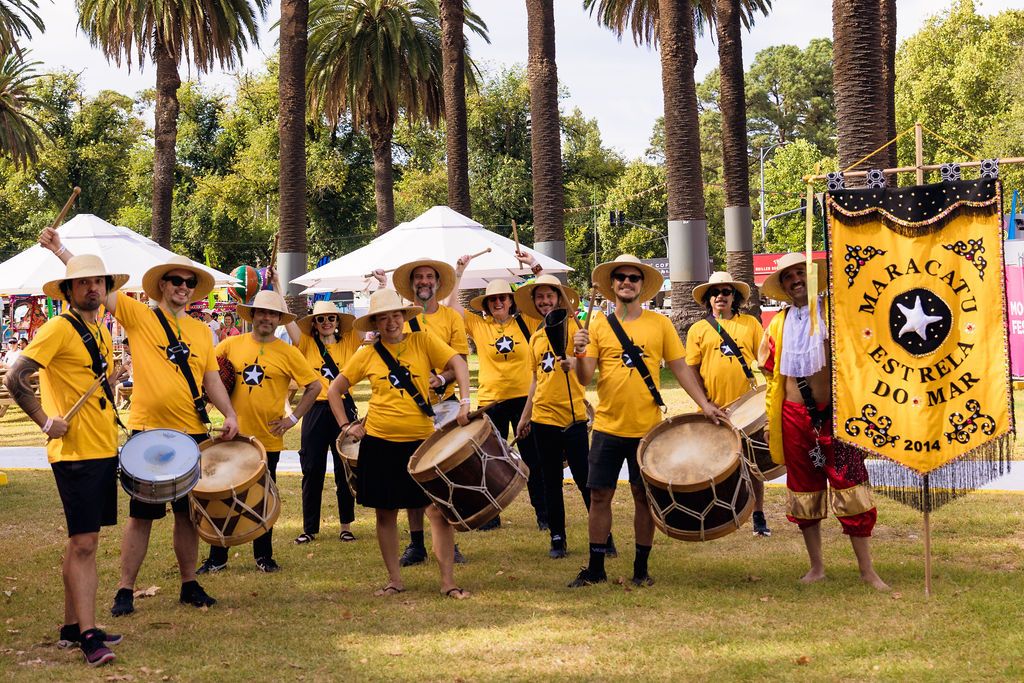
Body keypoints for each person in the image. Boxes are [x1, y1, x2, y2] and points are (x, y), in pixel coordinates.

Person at [39, 227, 240, 616]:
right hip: (149, 431)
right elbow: (95, 285)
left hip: (193, 432)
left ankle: (188, 583)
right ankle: (124, 590)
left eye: (188, 283)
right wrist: (60, 249)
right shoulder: (138, 315)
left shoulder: (203, 332)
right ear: (162, 286)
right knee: (141, 516)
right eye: (176, 281)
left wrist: (229, 413)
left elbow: (211, 379)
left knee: (187, 513)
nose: (183, 287)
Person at [568, 255, 728, 588]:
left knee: (644, 498)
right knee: (599, 496)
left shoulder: (660, 324)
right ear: (612, 285)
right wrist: (579, 352)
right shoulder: (596, 324)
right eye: (621, 278)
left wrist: (705, 405)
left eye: (633, 278)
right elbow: (584, 379)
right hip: (608, 428)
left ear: (642, 286)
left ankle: (641, 569)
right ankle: (596, 567)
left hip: (647, 431)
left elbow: (681, 368)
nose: (627, 282)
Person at [4, 255, 129, 666]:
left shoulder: (99, 329)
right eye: (83, 283)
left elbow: (88, 381)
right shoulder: (58, 328)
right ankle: (90, 637)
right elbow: (16, 375)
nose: (92, 288)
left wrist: (110, 379)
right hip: (75, 453)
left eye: (98, 282)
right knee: (84, 544)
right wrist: (44, 420)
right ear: (69, 291)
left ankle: (72, 627)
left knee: (81, 540)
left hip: (101, 447)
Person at [327, 289, 472, 598]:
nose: (391, 322)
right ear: (376, 323)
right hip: (379, 443)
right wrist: (346, 424)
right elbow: (333, 391)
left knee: (438, 511)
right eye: (384, 317)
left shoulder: (422, 341)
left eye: (396, 315)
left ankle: (448, 581)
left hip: (421, 442)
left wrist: (465, 403)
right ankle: (395, 580)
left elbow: (458, 363)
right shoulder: (365, 354)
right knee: (385, 513)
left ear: (404, 317)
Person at [758, 253, 889, 590]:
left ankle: (867, 570)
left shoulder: (836, 312)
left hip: (835, 415)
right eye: (788, 277)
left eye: (801, 273)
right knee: (804, 491)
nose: (796, 280)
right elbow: (770, 368)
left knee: (851, 487)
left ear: (812, 278)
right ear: (784, 286)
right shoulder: (777, 324)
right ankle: (816, 566)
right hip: (793, 417)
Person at [197, 290, 322, 574]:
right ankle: (218, 557)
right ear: (253, 315)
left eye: (273, 314)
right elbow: (207, 374)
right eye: (262, 312)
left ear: (279, 319)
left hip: (267, 439)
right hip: (232, 435)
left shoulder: (289, 352)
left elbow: (314, 386)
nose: (267, 317)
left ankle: (264, 556)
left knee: (263, 497)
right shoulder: (230, 345)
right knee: (222, 495)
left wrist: (293, 420)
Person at [373, 257, 468, 566]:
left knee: (443, 475)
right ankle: (416, 544)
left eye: (430, 277)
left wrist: (440, 379)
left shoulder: (452, 318)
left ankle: (448, 541)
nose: (425, 281)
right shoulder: (399, 317)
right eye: (419, 278)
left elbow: (459, 362)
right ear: (412, 284)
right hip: (409, 409)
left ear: (438, 283)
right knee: (413, 474)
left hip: (446, 405)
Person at [447, 252, 548, 532]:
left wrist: (534, 267)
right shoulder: (478, 324)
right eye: (493, 299)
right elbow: (452, 307)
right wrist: (459, 272)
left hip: (525, 402)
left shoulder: (525, 321)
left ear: (512, 301)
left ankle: (544, 514)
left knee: (533, 459)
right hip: (492, 402)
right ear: (487, 305)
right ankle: (490, 517)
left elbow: (552, 299)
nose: (499, 302)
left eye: (503, 298)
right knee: (490, 462)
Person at [273, 270, 364, 545]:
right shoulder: (304, 343)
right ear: (314, 323)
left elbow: (368, 316)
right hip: (314, 410)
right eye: (321, 319)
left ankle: (345, 526)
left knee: (343, 468)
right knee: (311, 468)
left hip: (343, 410)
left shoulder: (350, 342)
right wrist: (278, 287)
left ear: (337, 322)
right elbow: (287, 318)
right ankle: (309, 528)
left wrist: (379, 286)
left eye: (331, 318)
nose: (326, 322)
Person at [683, 271, 771, 536]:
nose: (720, 296)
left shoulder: (750, 325)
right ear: (708, 299)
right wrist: (705, 402)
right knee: (714, 466)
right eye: (715, 292)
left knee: (753, 464)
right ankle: (720, 514)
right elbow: (691, 370)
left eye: (726, 292)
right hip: (712, 409)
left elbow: (765, 361)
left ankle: (758, 515)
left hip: (747, 408)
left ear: (735, 297)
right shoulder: (698, 329)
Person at [514, 275, 591, 559]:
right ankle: (557, 537)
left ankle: (602, 535)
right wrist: (525, 417)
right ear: (534, 303)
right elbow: (536, 380)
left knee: (585, 480)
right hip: (543, 419)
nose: (545, 301)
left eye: (550, 296)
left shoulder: (576, 330)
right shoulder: (534, 337)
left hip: (574, 419)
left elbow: (587, 371)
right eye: (540, 297)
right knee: (550, 481)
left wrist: (579, 353)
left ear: (559, 299)